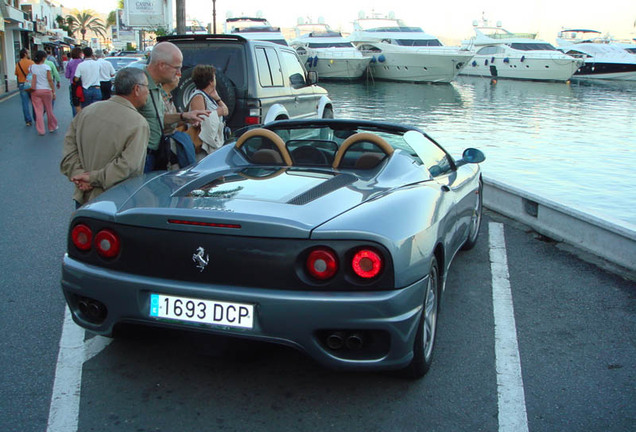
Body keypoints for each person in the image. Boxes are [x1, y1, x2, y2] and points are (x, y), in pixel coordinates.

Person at [60, 68, 150, 208]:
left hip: (83, 196)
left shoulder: (86, 112)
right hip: (115, 200)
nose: (148, 92)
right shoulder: (138, 123)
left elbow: (69, 150)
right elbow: (128, 166)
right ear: (136, 89)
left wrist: (79, 175)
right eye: (147, 87)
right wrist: (92, 178)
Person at [138, 41, 210, 172]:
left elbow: (159, 118)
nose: (179, 73)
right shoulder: (139, 85)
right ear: (161, 65)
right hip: (141, 157)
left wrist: (184, 117)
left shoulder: (157, 86)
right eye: (176, 68)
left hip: (156, 154)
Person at [187, 64, 229, 157]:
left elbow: (226, 111)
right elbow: (202, 120)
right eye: (214, 77)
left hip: (213, 143)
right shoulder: (198, 97)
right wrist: (218, 112)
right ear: (210, 81)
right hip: (203, 147)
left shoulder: (210, 96)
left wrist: (217, 99)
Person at [29, 50, 58, 136]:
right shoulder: (46, 67)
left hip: (35, 91)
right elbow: (50, 80)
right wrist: (53, 91)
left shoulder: (31, 67)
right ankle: (52, 127)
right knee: (49, 109)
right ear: (43, 58)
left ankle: (41, 130)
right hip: (46, 90)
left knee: (38, 111)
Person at [15, 48, 35, 126]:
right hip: (30, 84)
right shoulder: (31, 63)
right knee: (34, 102)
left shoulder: (18, 64)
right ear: (25, 54)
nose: (29, 53)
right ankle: (36, 117)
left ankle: (28, 121)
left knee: (25, 103)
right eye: (28, 52)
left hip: (22, 84)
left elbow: (16, 73)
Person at [65, 47, 84, 116]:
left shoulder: (70, 63)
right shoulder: (83, 62)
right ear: (80, 54)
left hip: (73, 84)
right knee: (82, 101)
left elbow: (67, 75)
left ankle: (75, 118)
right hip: (83, 84)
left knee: (74, 102)